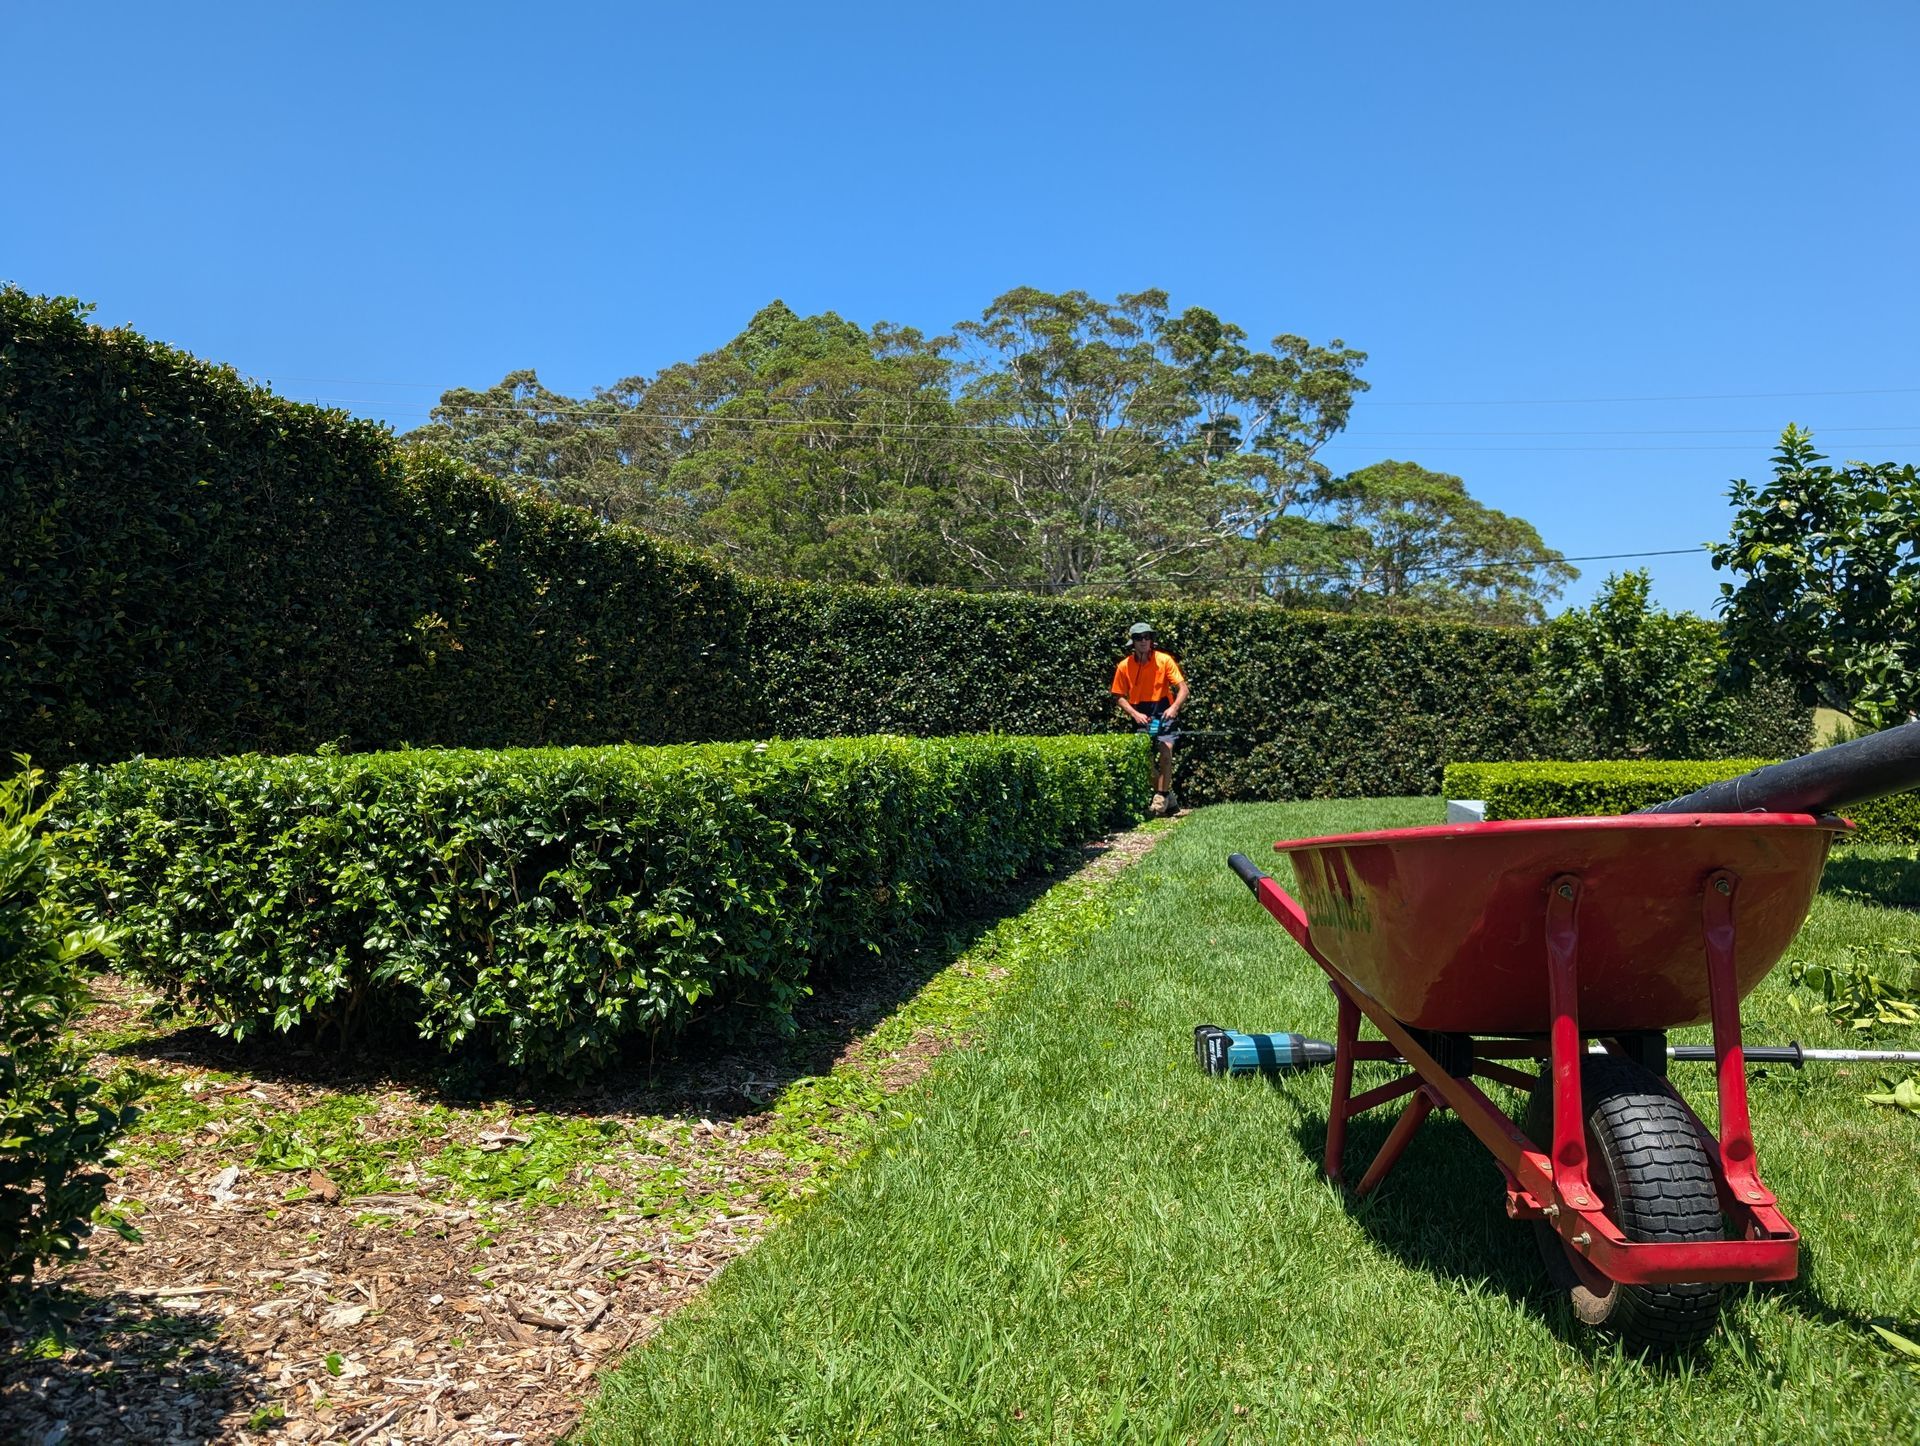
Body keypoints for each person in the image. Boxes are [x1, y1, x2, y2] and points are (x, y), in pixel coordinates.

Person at [1110, 621, 1189, 815]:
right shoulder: (1124, 666)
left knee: (1165, 753)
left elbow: (1183, 689)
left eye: (1147, 637)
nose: (1143, 641)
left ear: (1151, 639)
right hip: (1141, 714)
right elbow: (1118, 696)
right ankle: (1168, 797)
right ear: (1133, 642)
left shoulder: (1164, 660)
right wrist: (1134, 714)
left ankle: (1160, 797)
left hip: (1163, 710)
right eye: (1139, 638)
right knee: (1144, 760)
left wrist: (1174, 707)